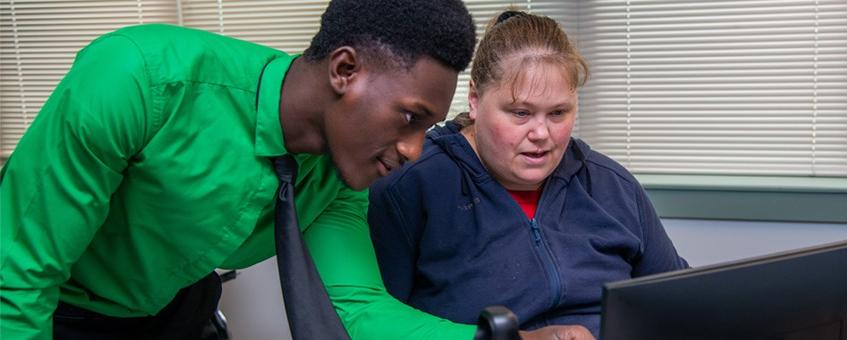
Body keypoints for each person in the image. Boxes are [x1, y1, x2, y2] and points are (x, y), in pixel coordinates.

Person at [0, 0, 504, 339]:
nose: (414, 150)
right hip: (60, 312)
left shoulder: (343, 170)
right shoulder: (138, 81)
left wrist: (493, 336)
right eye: (410, 117)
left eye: (428, 126)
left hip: (181, 310)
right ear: (345, 70)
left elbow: (356, 305)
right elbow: (21, 278)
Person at [368, 10, 691, 340]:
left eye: (558, 113)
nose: (541, 133)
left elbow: (681, 305)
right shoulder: (412, 187)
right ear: (475, 99)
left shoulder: (612, 186)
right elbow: (375, 323)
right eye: (521, 113)